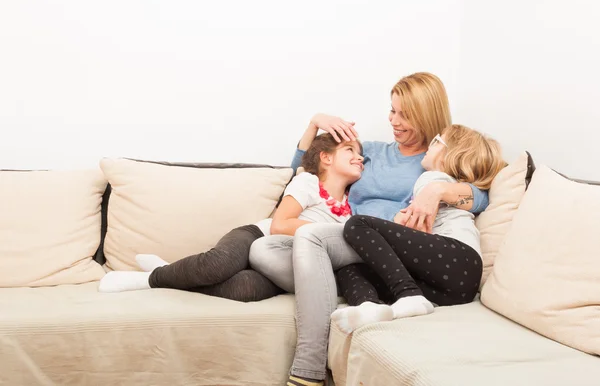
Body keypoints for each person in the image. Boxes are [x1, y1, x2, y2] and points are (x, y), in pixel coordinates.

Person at [283, 72, 490, 386]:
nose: (393, 120)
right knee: (267, 249)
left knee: (311, 236)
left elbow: (480, 196)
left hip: (389, 247)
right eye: (392, 110)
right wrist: (314, 125)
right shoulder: (371, 152)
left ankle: (308, 370)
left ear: (425, 115)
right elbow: (305, 169)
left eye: (404, 114)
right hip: (358, 245)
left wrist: (437, 193)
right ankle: (371, 311)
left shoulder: (438, 163)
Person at [97, 133, 364, 302]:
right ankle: (150, 279)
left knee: (246, 290)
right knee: (217, 266)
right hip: (259, 236)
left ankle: (168, 272)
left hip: (282, 266)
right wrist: (324, 235)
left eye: (360, 153)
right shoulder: (307, 182)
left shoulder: (352, 209)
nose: (359, 157)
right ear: (326, 158)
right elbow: (281, 224)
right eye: (350, 150)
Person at [331, 124, 505, 334]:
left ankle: (408, 294)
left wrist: (398, 220)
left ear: (450, 153)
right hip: (452, 287)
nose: (430, 145)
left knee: (357, 224)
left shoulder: (432, 179)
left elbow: (419, 226)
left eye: (436, 141)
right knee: (349, 269)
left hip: (458, 257)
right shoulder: (446, 185)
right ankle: (368, 307)